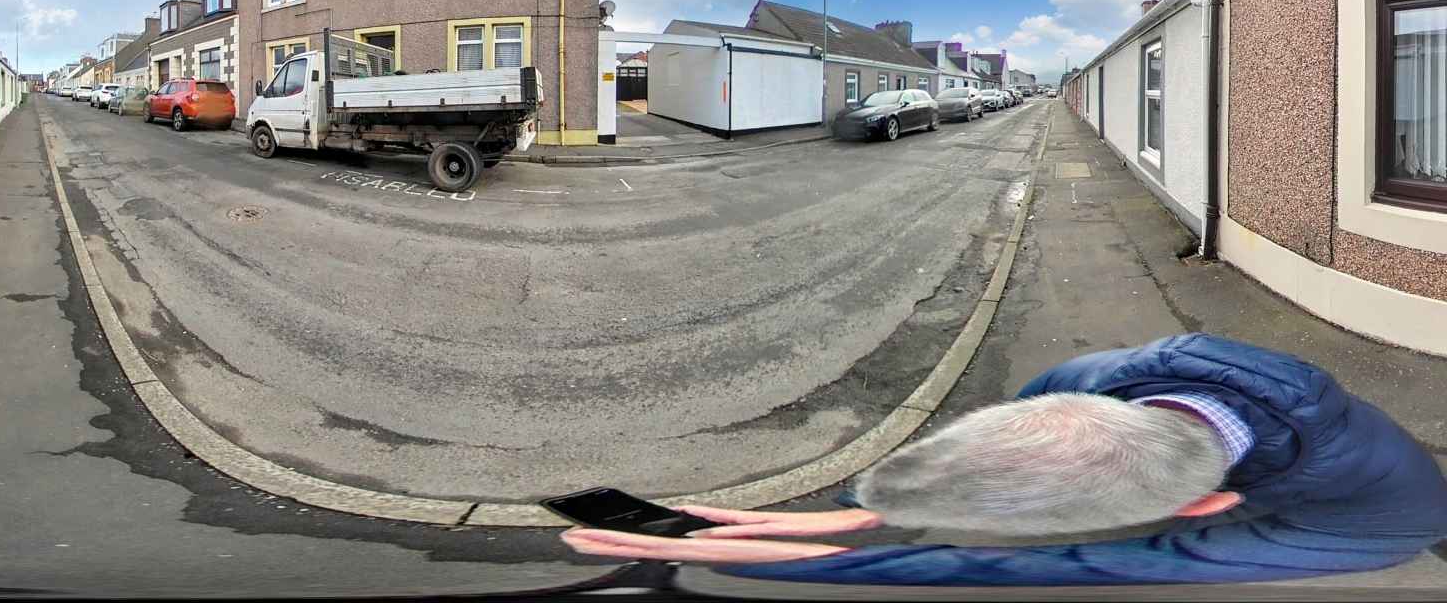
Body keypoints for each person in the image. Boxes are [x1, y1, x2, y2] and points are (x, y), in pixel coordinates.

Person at [563, 333, 1447, 585]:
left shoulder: (1376, 521)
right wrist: (857, 509)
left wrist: (766, 560)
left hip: (1387, 522)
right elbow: (1010, 429)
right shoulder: (1105, 376)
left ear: (1202, 507)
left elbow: (1027, 563)